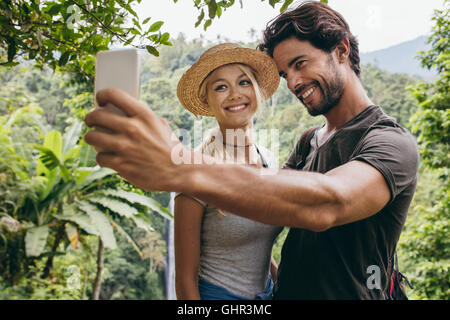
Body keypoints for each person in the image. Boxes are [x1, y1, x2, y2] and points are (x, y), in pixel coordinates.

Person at [84, 1, 419, 299]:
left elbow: (329, 202)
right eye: (285, 73)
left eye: (301, 64)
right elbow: (270, 203)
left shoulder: (390, 143)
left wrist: (180, 165)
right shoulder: (308, 141)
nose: (294, 83)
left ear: (342, 51)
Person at [173, 43, 282, 300]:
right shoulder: (197, 171)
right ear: (205, 100)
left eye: (244, 83)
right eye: (221, 87)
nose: (235, 94)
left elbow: (255, 246)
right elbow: (185, 282)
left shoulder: (268, 160)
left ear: (258, 90)